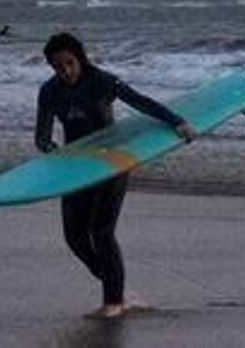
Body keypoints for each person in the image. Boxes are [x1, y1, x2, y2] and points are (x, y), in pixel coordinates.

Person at [34, 32, 196, 319]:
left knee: (101, 231)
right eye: (58, 67)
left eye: (70, 63)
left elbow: (140, 101)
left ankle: (114, 302)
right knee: (74, 237)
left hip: (112, 161)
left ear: (80, 59)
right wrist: (53, 152)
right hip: (78, 166)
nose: (65, 72)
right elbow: (42, 137)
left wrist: (177, 122)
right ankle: (115, 283)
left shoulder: (102, 80)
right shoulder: (49, 91)